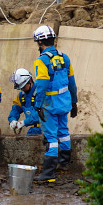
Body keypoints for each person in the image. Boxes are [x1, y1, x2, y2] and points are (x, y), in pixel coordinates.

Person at [32, 25, 78, 182]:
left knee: (51, 137)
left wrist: (38, 105)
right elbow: (72, 83)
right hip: (64, 102)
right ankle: (63, 164)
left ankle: (49, 173)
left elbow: (42, 84)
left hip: (50, 104)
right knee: (64, 132)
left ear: (40, 42)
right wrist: (74, 102)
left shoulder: (41, 61)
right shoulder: (65, 58)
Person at [8, 68, 41, 135]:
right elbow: (15, 109)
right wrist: (12, 120)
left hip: (47, 130)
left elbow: (42, 114)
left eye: (23, 87)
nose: (22, 89)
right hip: (34, 130)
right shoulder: (22, 95)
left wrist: (24, 122)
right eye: (20, 88)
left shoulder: (40, 93)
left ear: (29, 82)